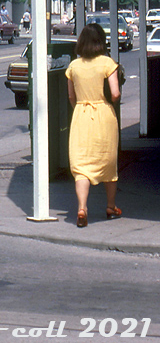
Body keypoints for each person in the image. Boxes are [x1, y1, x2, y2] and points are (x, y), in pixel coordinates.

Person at [66, 23, 122, 228]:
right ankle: (110, 206)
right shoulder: (108, 63)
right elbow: (115, 94)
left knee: (81, 164)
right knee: (107, 161)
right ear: (101, 41)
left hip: (81, 114)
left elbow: (71, 96)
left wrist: (81, 107)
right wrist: (107, 102)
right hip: (103, 114)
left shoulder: (74, 66)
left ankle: (82, 208)